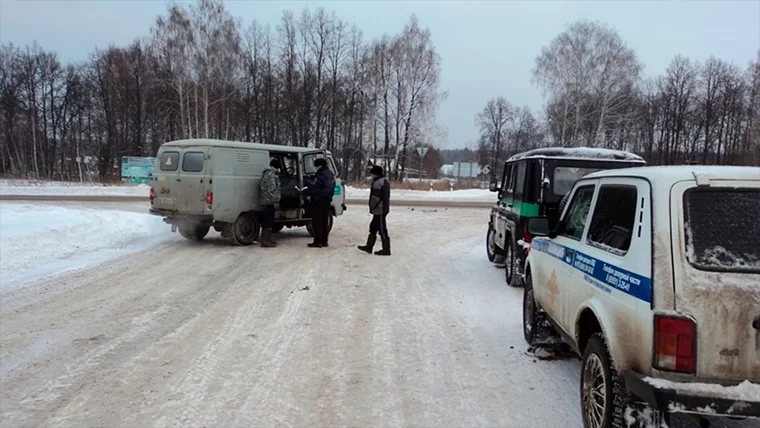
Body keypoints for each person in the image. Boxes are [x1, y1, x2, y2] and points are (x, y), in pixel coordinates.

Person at [358, 165, 391, 256]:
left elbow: (375, 198)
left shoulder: (377, 183)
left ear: (375, 174)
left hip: (379, 209)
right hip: (382, 208)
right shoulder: (384, 181)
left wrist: (372, 207)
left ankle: (386, 249)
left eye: (372, 173)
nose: (371, 175)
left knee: (382, 229)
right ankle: (369, 246)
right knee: (373, 227)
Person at [302, 158, 335, 248]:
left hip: (319, 200)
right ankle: (324, 241)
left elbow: (315, 188)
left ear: (319, 166)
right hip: (327, 200)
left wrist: (305, 193)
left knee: (317, 222)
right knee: (324, 221)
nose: (315, 168)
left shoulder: (320, 175)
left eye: (316, 166)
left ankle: (317, 241)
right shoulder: (330, 174)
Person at [260, 158, 282, 248]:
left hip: (266, 201)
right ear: (276, 167)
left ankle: (267, 239)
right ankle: (266, 241)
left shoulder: (266, 174)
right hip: (270, 202)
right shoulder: (271, 175)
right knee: (268, 221)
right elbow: (271, 189)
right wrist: (275, 199)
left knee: (267, 220)